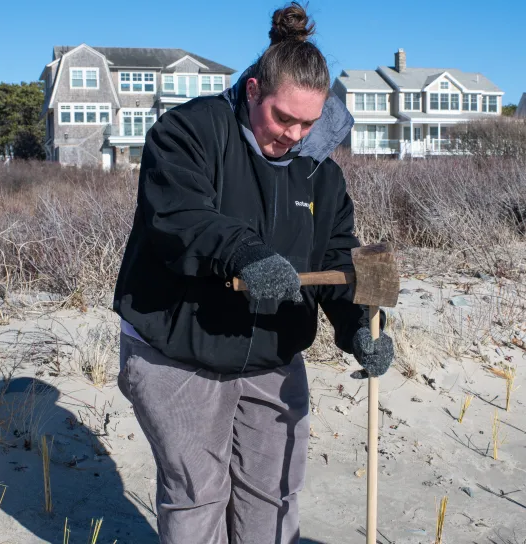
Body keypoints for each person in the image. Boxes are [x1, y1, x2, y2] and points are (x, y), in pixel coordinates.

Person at [111, 3, 394, 543]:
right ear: (252, 91)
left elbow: (340, 257)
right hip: (179, 349)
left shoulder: (321, 172)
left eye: (308, 123)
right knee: (199, 495)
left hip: (270, 352)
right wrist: (245, 254)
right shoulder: (188, 132)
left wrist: (360, 324)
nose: (293, 134)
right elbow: (179, 217)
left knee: (275, 493)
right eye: (282, 118)